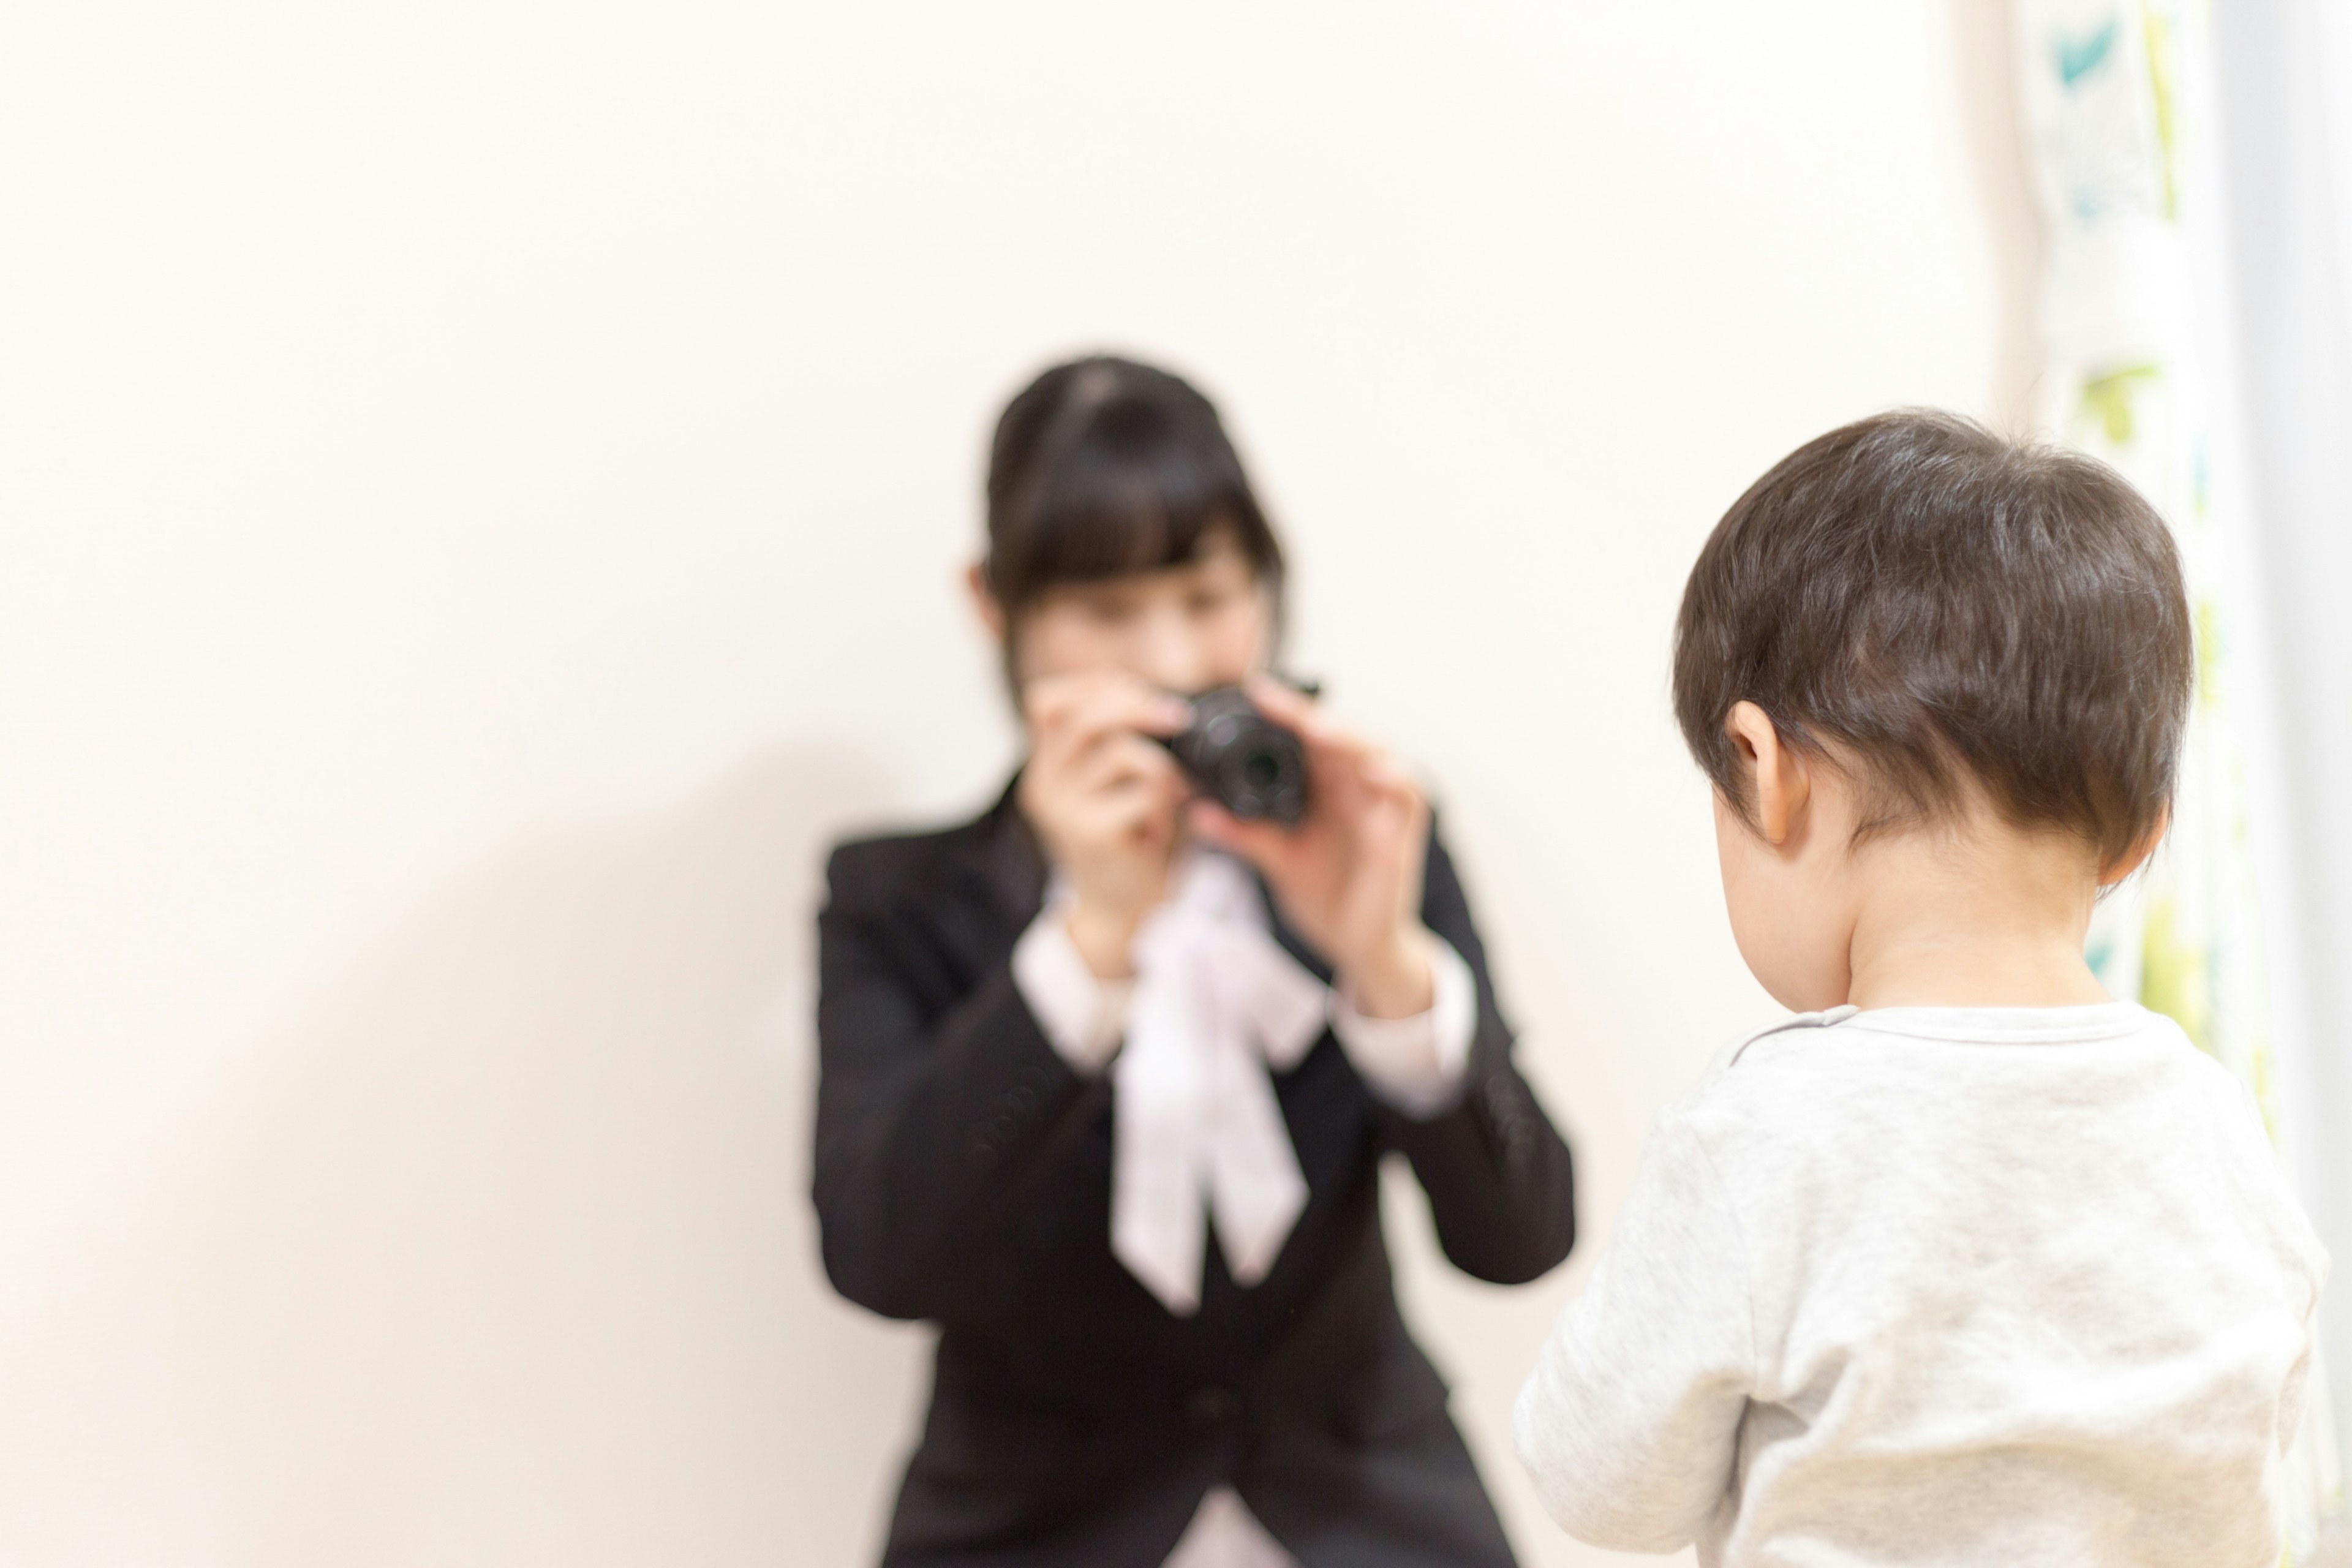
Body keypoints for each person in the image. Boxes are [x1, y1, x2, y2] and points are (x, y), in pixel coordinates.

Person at [1512, 411, 2329, 1566]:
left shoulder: (1770, 1131)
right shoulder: (2215, 1127)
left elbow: (1599, 1486)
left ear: (1763, 769)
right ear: (2141, 837)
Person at [814, 354, 1578, 1567]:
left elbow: (1524, 1231)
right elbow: (879, 1253)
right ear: (993, 604)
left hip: (1372, 1519)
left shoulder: (1371, 830)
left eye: (1211, 593)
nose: (1173, 660)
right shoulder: (903, 898)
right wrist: (1089, 944)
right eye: (1108, 612)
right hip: (1033, 1529)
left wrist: (1381, 961)